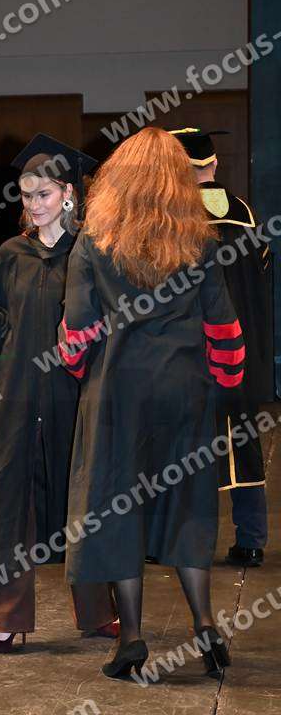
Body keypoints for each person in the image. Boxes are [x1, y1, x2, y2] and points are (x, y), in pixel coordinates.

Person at [59, 127, 243, 680]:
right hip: (185, 388)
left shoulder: (94, 241)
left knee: (118, 507)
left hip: (118, 392)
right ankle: (205, 622)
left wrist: (80, 371)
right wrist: (224, 382)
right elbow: (224, 326)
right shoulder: (199, 240)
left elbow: (77, 331)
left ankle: (132, 638)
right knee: (189, 504)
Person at [0, 135, 118, 655]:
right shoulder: (11, 254)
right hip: (17, 392)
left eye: (43, 194)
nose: (33, 204)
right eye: (25, 195)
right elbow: (6, 321)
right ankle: (4, 618)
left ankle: (98, 611)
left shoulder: (90, 252)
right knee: (10, 502)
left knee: (81, 499)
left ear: (68, 193)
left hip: (73, 392)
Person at [171, 128, 271, 567]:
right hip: (242, 349)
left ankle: (189, 542)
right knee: (244, 442)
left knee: (190, 449)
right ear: (215, 164)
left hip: (193, 350)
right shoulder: (244, 212)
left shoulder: (174, 216)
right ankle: (251, 540)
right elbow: (262, 275)